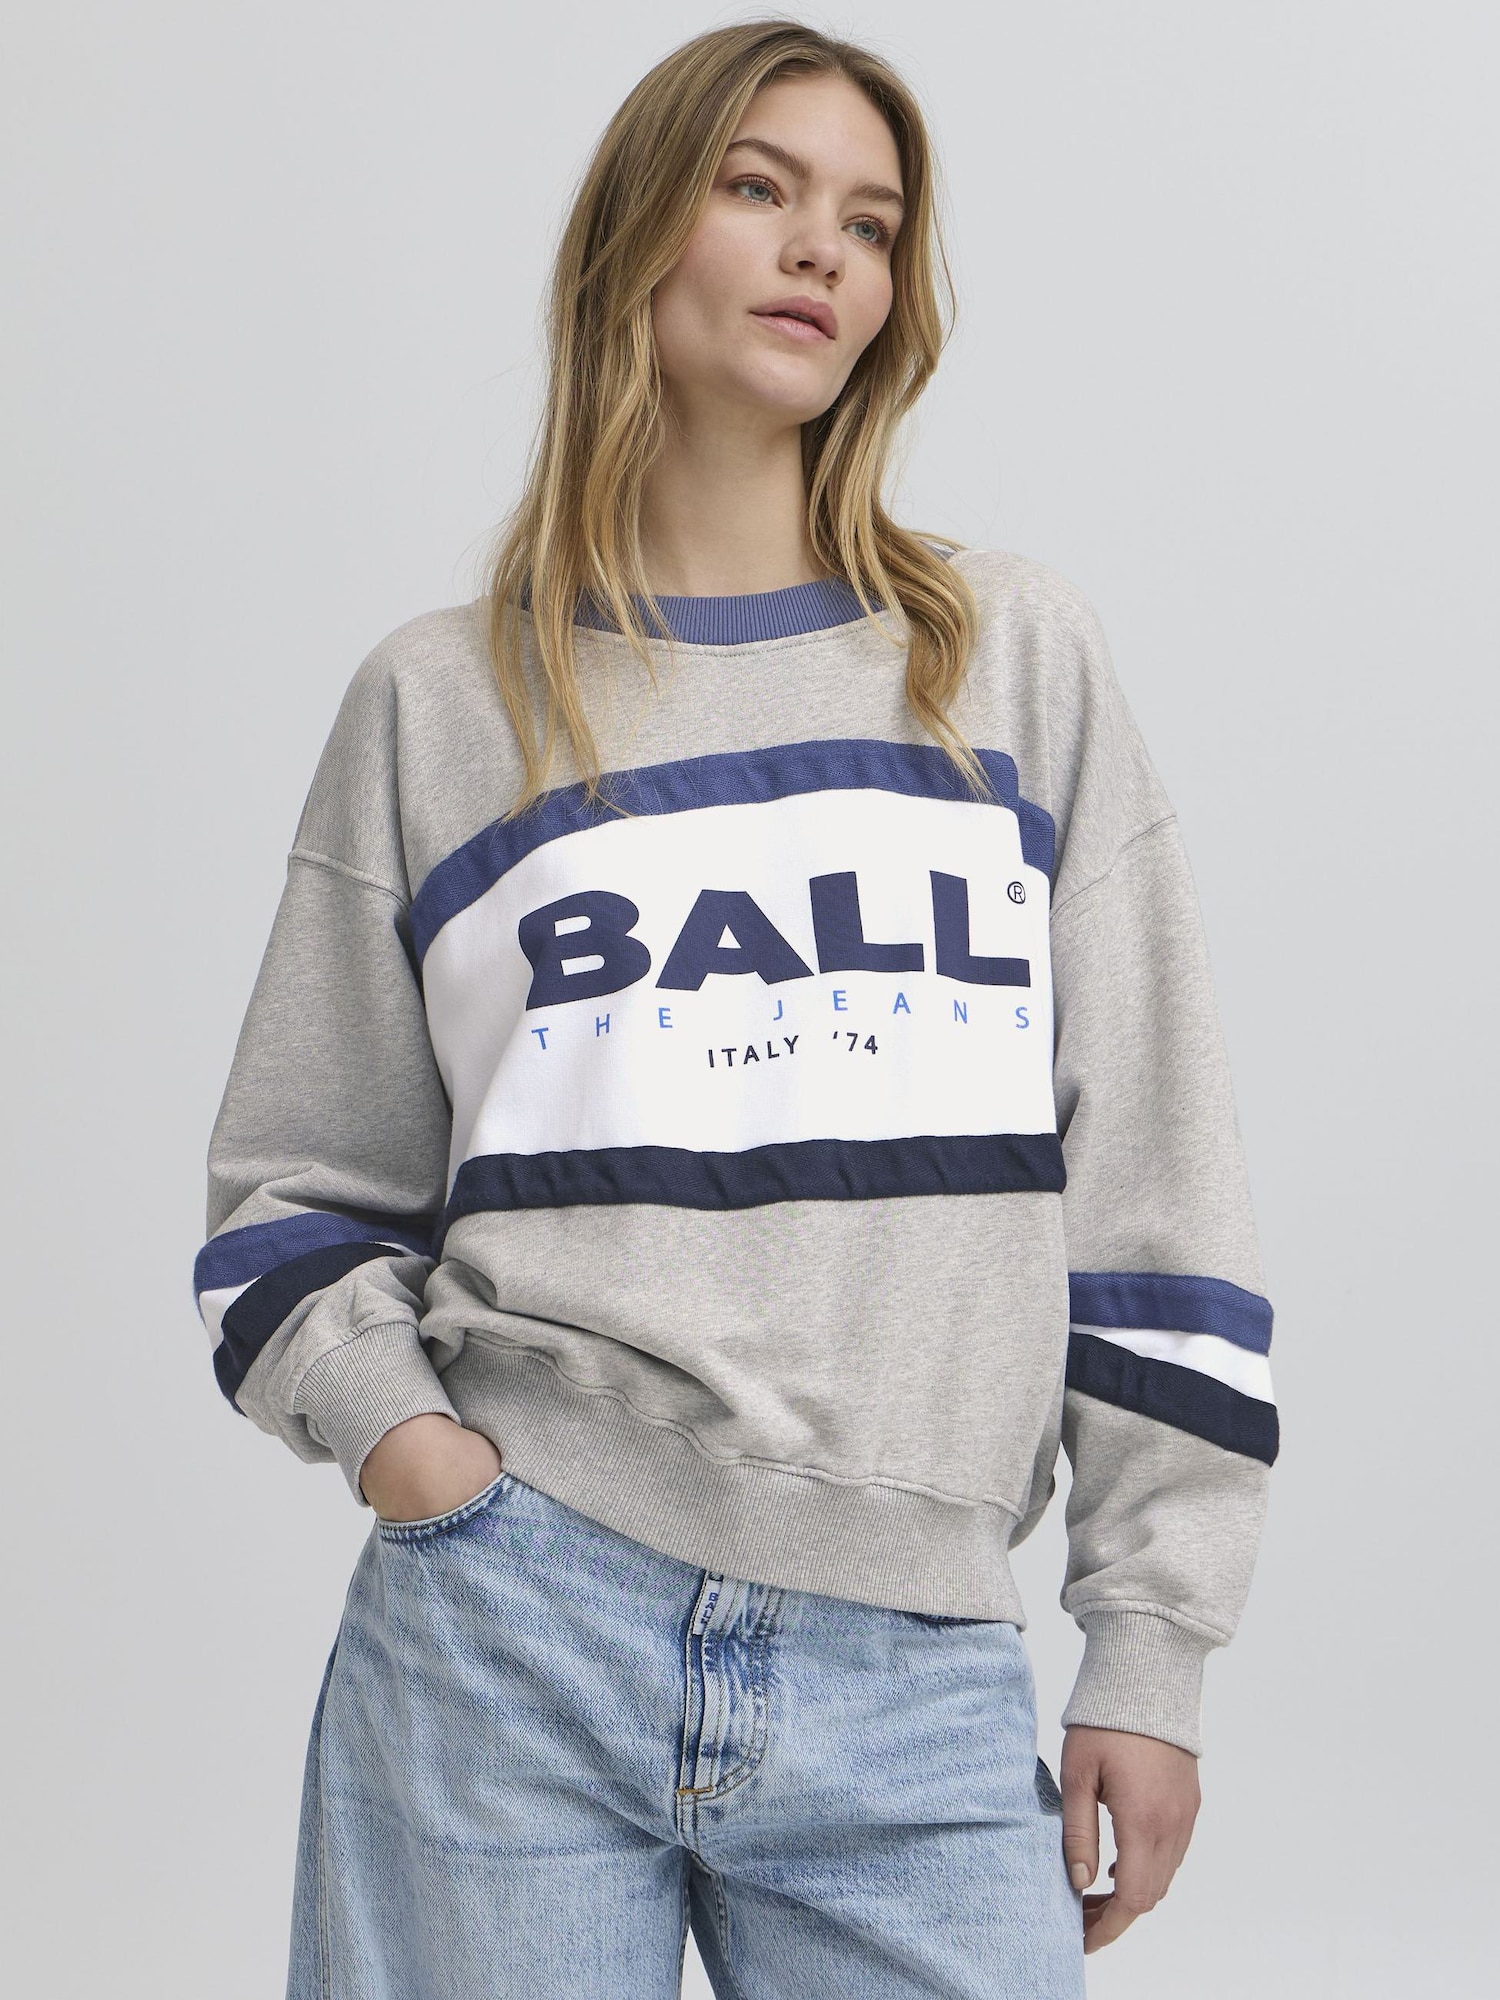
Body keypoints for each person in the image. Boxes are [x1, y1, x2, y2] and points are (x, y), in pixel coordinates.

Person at [194, 18, 1279, 1997]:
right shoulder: (441, 704)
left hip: (918, 1664)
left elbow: (1155, 1180)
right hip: (510, 1628)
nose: (819, 253)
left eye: (869, 222)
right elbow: (291, 1192)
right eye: (760, 188)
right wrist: (414, 1453)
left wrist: (1153, 1643)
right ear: (635, 234)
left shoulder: (1010, 664)